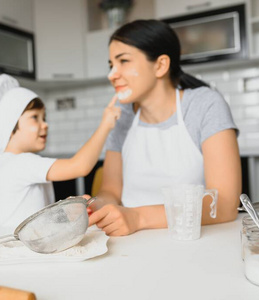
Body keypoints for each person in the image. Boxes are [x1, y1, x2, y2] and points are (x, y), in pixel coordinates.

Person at [88, 20, 242, 236]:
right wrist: (94, 205)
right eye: (111, 65)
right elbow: (111, 191)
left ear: (160, 65)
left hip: (191, 241)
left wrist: (138, 217)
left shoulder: (204, 105)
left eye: (123, 61)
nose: (112, 74)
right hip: (131, 241)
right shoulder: (122, 115)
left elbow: (225, 205)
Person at [0, 74, 120, 228]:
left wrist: (64, 211)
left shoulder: (6, 162)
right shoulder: (20, 163)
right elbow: (80, 166)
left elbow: (34, 217)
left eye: (44, 117)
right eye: (35, 117)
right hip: (17, 248)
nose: (45, 124)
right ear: (9, 127)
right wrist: (106, 125)